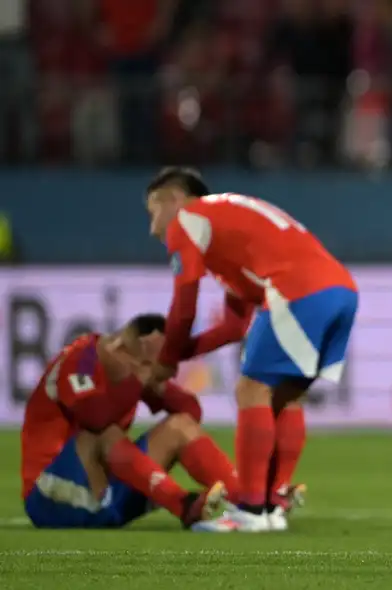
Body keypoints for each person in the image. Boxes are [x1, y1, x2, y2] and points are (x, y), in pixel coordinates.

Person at [143, 167, 358, 532]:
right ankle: (272, 505)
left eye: (153, 212)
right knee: (284, 397)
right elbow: (233, 325)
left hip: (299, 289)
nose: (154, 228)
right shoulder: (227, 226)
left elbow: (184, 306)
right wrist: (180, 354)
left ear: (175, 199)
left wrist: (165, 361)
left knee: (250, 389)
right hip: (341, 291)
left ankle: (250, 510)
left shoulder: (188, 220)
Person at [21, 313, 237, 531]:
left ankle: (248, 502)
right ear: (122, 350)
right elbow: (93, 418)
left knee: (180, 427)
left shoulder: (131, 374)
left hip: (106, 497)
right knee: (103, 432)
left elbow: (191, 410)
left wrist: (156, 383)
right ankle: (181, 503)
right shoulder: (81, 360)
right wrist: (140, 378)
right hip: (50, 497)